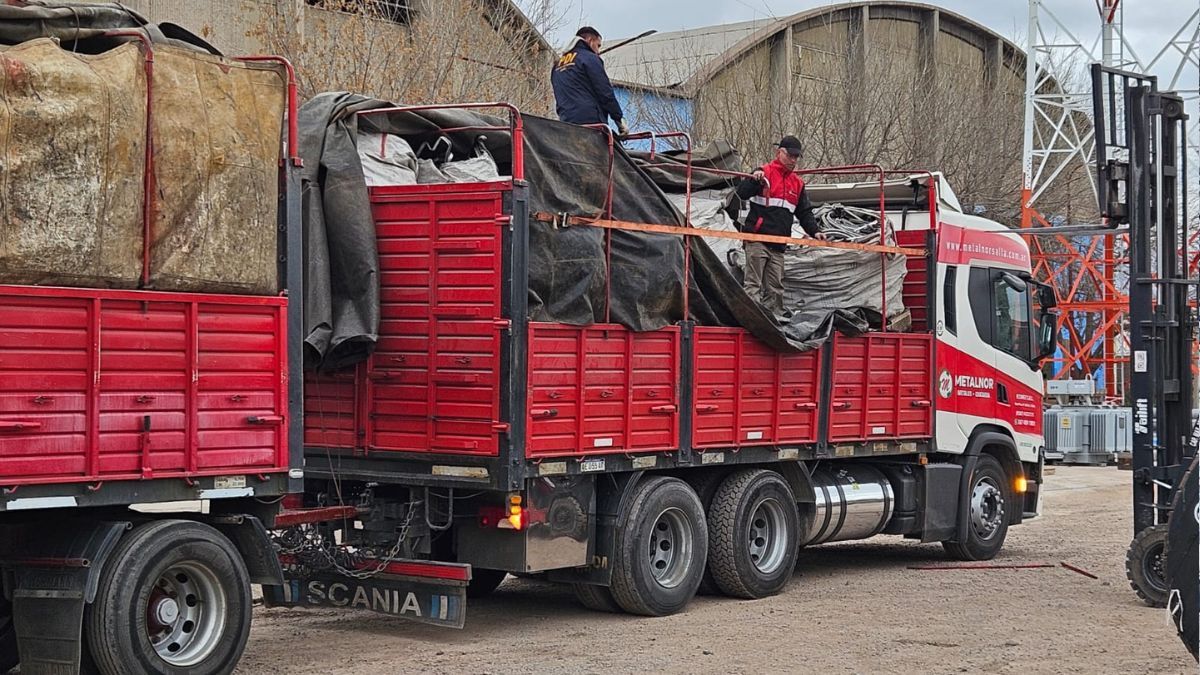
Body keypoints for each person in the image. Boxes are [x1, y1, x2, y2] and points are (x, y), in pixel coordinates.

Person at [733, 135, 821, 316]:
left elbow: (804, 212)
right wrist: (754, 178)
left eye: (797, 157)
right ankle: (751, 321)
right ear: (779, 153)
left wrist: (816, 231)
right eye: (790, 156)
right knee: (753, 285)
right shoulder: (764, 174)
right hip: (757, 239)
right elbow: (741, 193)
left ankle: (771, 325)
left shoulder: (797, 184)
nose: (794, 160)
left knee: (775, 289)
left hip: (778, 245)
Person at [551, 26, 628, 135]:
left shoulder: (557, 65)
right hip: (591, 124)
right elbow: (605, 92)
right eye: (598, 45)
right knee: (612, 150)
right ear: (590, 41)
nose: (598, 51)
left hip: (566, 124)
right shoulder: (589, 58)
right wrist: (619, 119)